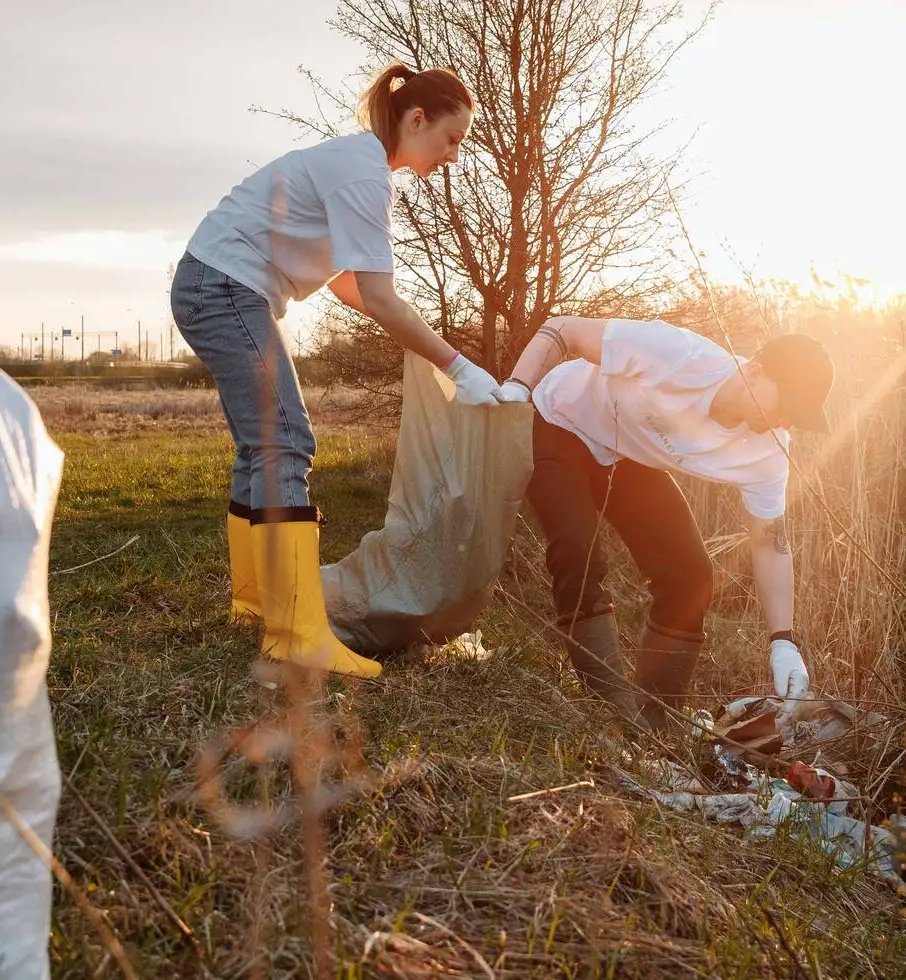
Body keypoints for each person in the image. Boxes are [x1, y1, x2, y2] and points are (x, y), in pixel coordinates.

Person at [170, 62, 505, 679]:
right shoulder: (363, 174)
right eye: (452, 138)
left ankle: (255, 604)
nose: (453, 156)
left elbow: (351, 285)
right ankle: (296, 633)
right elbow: (378, 296)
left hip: (216, 283)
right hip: (224, 286)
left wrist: (419, 338)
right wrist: (458, 365)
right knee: (285, 441)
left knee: (263, 446)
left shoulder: (360, 166)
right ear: (417, 119)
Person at [496, 316, 834, 730]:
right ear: (755, 372)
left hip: (627, 454)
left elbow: (770, 540)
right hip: (560, 422)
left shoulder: (769, 452)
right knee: (577, 548)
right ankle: (612, 712)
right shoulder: (679, 355)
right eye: (787, 404)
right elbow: (564, 329)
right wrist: (518, 387)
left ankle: (657, 719)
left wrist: (784, 641)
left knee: (691, 576)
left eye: (799, 415)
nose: (787, 421)